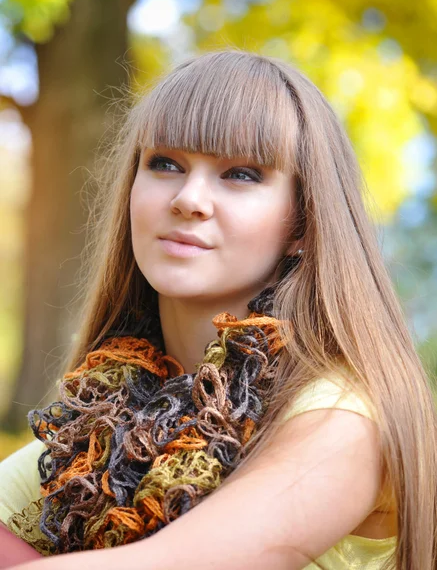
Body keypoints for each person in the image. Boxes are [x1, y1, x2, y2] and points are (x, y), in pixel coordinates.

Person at [0, 48, 436, 570]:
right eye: (165, 164)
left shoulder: (341, 418)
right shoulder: (108, 417)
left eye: (242, 174)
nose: (189, 198)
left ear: (302, 225)